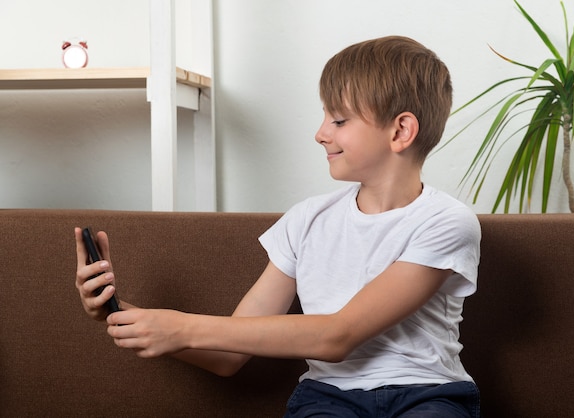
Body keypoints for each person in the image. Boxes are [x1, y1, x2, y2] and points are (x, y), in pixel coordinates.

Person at [75, 35, 482, 417]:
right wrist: (120, 313)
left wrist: (182, 325)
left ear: (400, 131)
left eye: (339, 120)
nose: (320, 134)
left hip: (428, 395)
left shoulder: (447, 223)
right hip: (329, 399)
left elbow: (336, 337)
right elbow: (227, 355)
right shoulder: (306, 221)